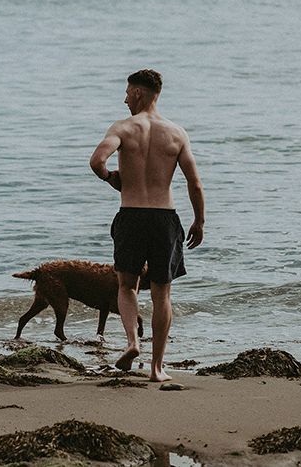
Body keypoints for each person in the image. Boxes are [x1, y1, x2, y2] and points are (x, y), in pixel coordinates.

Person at [89, 69, 204, 382]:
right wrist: (199, 220)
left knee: (126, 285)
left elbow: (97, 161)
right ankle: (157, 368)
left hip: (131, 215)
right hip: (164, 218)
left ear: (138, 93)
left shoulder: (124, 128)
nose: (125, 99)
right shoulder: (177, 133)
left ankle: (132, 342)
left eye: (127, 93)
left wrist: (112, 179)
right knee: (162, 293)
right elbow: (194, 182)